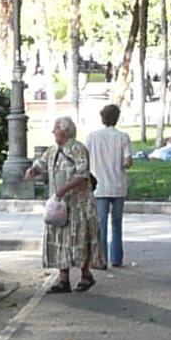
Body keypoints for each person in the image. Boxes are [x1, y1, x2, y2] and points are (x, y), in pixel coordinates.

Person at [40, 115, 101, 293]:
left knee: (80, 239)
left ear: (66, 131)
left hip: (78, 204)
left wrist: (63, 190)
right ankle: (63, 279)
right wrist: (32, 170)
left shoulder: (78, 149)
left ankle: (86, 275)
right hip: (60, 206)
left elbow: (82, 174)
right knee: (60, 240)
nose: (53, 131)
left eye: (56, 128)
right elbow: (41, 163)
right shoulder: (53, 151)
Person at [86, 98, 132, 268]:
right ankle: (117, 257)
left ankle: (101, 258)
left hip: (99, 186)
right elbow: (128, 161)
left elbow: (85, 158)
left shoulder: (92, 137)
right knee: (117, 222)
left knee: (101, 224)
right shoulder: (123, 137)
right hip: (118, 185)